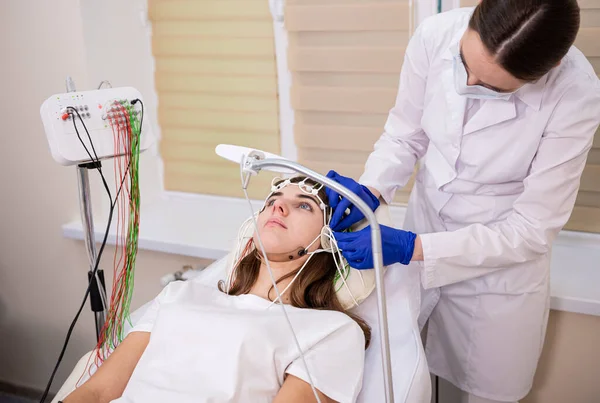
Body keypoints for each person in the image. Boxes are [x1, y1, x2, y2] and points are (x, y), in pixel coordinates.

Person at [325, 1, 600, 403]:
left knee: (486, 392)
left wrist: (412, 248)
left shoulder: (576, 94)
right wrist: (371, 190)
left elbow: (531, 229)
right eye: (462, 62)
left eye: (492, 88)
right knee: (404, 375)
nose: (467, 82)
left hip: (495, 277)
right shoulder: (435, 35)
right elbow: (405, 135)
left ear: (550, 68)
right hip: (426, 221)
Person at [62, 176, 371, 403]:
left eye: (304, 205)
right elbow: (97, 391)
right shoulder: (180, 295)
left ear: (332, 240)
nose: (278, 206)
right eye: (272, 200)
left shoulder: (332, 331)